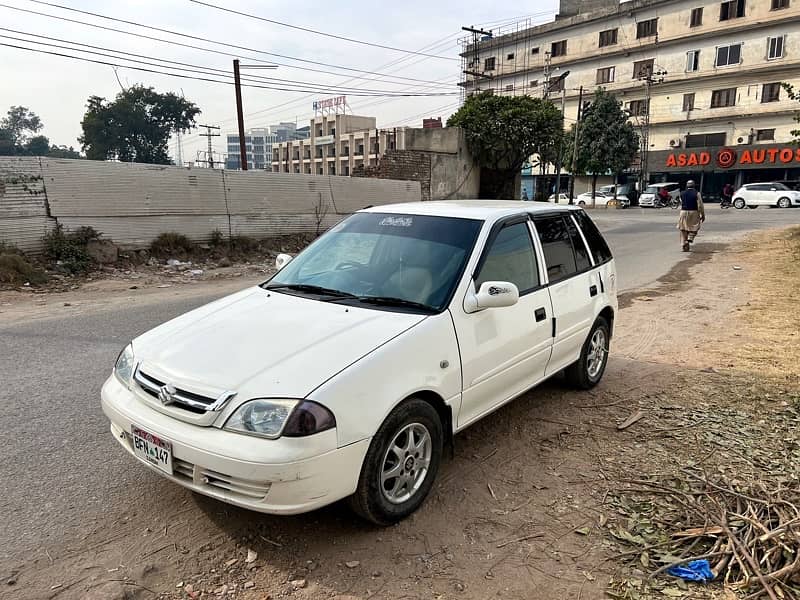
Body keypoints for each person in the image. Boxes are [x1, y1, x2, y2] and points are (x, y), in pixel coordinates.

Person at [677, 180, 705, 252]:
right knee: (695, 227)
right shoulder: (697, 193)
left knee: (683, 228)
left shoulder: (682, 193)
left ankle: (684, 242)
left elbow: (681, 202)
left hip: (683, 212)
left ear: (686, 186)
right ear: (694, 185)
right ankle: (690, 238)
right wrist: (703, 214)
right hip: (694, 212)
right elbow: (700, 205)